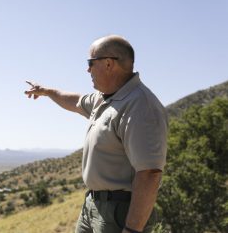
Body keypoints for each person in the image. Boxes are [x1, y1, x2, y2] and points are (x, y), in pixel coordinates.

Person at [24, 35, 167, 233]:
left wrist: (132, 229)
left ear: (109, 63)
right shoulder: (104, 99)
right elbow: (75, 101)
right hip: (92, 204)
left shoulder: (140, 105)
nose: (87, 69)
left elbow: (149, 174)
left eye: (90, 62)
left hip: (119, 212)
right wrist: (47, 92)